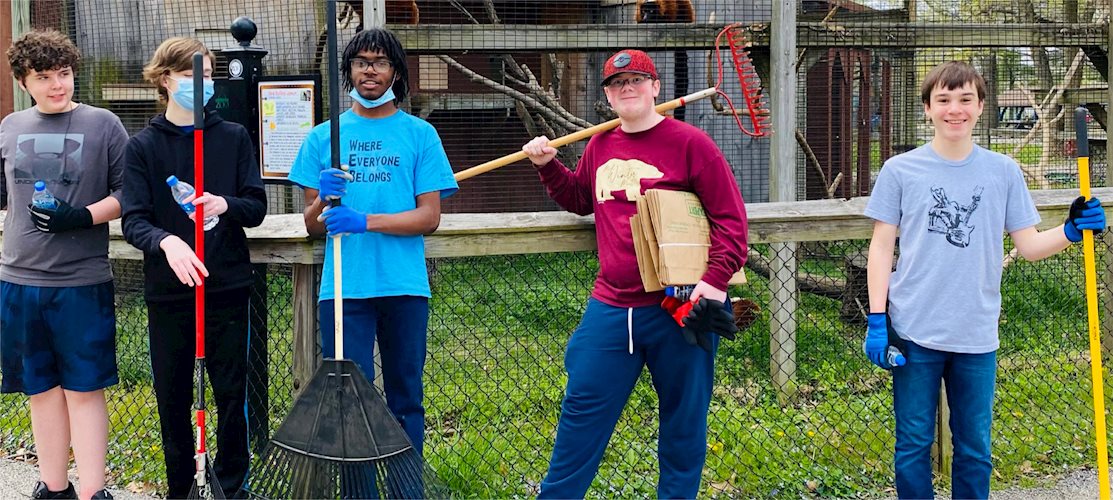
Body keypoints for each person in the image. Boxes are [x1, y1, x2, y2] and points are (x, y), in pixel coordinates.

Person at [863, 60, 1106, 499]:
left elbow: (1029, 245)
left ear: (980, 107)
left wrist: (1072, 232)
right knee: (912, 445)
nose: (954, 109)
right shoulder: (901, 170)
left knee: (975, 449)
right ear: (928, 108)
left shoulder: (1003, 171)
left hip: (976, 332)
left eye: (965, 99)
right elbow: (881, 248)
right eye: (943, 100)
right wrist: (877, 320)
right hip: (914, 329)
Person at [521, 49, 748, 499]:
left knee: (684, 424)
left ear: (656, 87)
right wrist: (548, 167)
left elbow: (731, 222)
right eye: (617, 83)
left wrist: (714, 282)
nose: (628, 88)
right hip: (611, 307)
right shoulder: (602, 143)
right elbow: (583, 199)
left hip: (679, 304)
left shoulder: (691, 144)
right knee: (581, 411)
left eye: (637, 80)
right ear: (607, 95)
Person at [288, 27, 457, 457]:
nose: (370, 70)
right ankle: (359, 488)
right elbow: (313, 225)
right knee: (349, 403)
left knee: (406, 399)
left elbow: (429, 216)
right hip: (345, 291)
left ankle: (406, 487)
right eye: (361, 61)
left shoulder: (420, 135)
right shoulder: (323, 137)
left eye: (380, 62)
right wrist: (323, 198)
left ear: (395, 72)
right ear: (348, 71)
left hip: (404, 286)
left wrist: (365, 220)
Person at [120, 37, 266, 499]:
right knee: (173, 396)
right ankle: (182, 488)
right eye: (190, 76)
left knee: (230, 391)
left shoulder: (232, 136)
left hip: (225, 283)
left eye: (207, 75)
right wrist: (166, 243)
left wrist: (225, 204)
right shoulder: (142, 146)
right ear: (166, 80)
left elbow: (256, 205)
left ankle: (230, 486)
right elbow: (133, 220)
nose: (202, 85)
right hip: (170, 291)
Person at [0, 29, 127, 500]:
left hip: (80, 280)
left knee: (84, 389)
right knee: (41, 389)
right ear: (23, 81)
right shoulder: (10, 127)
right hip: (18, 276)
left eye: (65, 74)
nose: (58, 85)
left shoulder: (103, 125)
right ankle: (53, 488)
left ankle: (95, 491)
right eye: (44, 77)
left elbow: (129, 193)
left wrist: (83, 216)